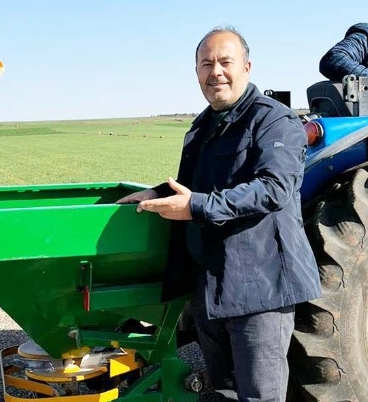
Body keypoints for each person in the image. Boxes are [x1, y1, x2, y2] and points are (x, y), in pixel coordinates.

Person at [117, 27, 322, 401]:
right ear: (196, 71)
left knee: (261, 395)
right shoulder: (201, 126)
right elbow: (192, 184)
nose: (216, 72)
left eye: (225, 62)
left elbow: (273, 189)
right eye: (206, 64)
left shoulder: (274, 121)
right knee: (225, 391)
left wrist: (194, 207)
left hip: (261, 289)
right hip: (210, 288)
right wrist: (151, 196)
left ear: (246, 66)